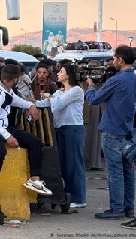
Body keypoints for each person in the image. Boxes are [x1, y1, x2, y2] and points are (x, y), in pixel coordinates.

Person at [0, 64, 52, 201]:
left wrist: (31, 105)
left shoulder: (7, 91)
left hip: (2, 126)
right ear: (16, 79)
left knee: (33, 141)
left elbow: (15, 100)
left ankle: (35, 180)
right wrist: (8, 136)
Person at [85, 45, 136, 220]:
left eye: (114, 58)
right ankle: (128, 208)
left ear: (120, 60)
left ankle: (116, 208)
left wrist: (90, 87)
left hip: (112, 130)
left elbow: (94, 100)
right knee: (127, 170)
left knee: (115, 171)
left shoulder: (116, 80)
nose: (113, 61)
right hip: (127, 130)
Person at [35, 64, 86, 208]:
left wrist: (49, 97)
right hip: (60, 128)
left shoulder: (76, 91)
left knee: (74, 164)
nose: (58, 74)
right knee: (64, 164)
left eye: (61, 71)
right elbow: (44, 104)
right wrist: (28, 102)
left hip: (73, 128)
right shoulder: (59, 92)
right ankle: (69, 194)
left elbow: (57, 105)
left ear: (68, 75)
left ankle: (79, 198)